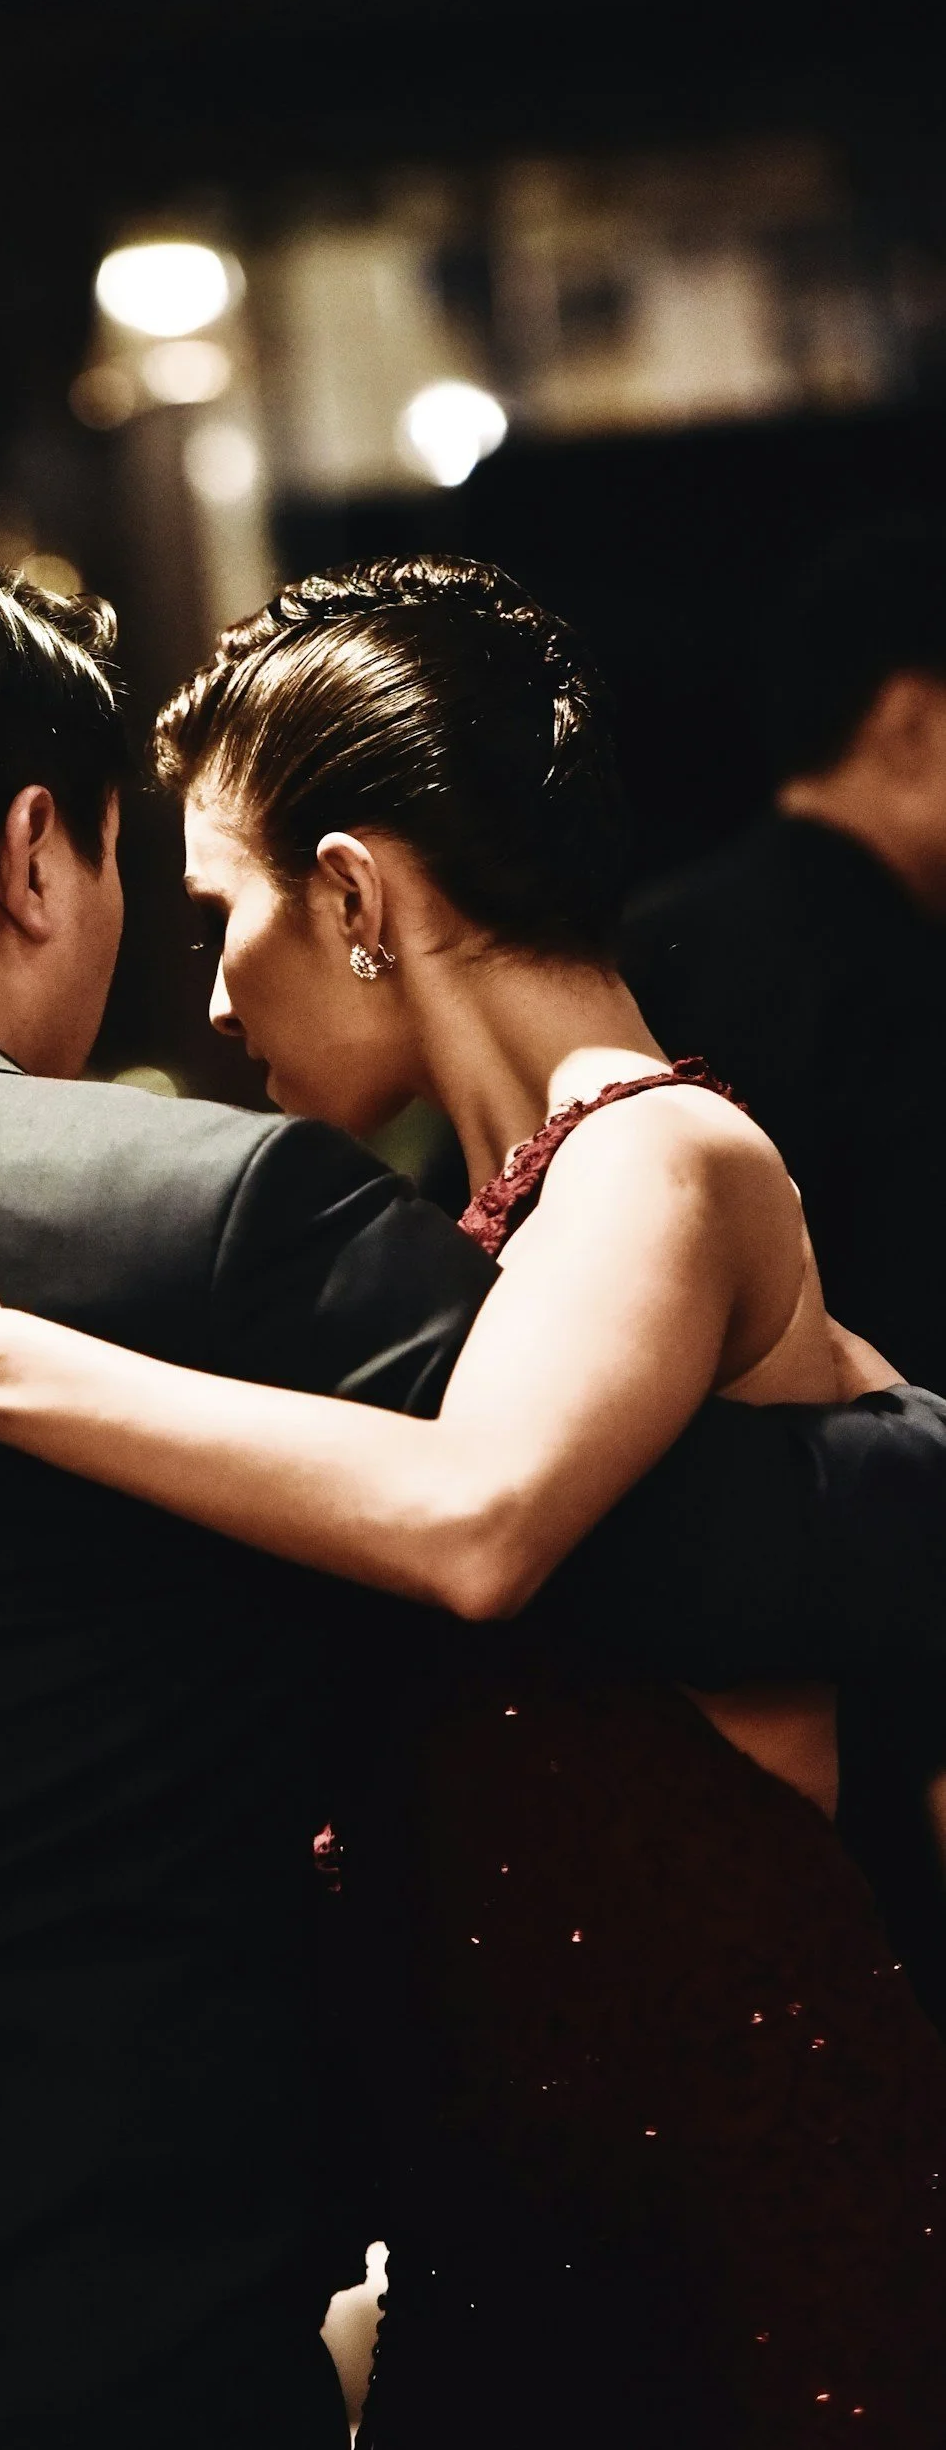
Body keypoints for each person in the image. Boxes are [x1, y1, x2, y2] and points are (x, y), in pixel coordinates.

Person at [0, 557, 946, 2447]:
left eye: (221, 911)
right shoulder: (493, 1218)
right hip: (537, 2191)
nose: (213, 989)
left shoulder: (663, 1148)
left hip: (730, 2171)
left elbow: (476, 1522)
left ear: (351, 895)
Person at [624, 522, 946, 2027]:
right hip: (882, 1702)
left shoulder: (646, 945)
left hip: (648, 1713)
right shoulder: (904, 983)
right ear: (912, 717)